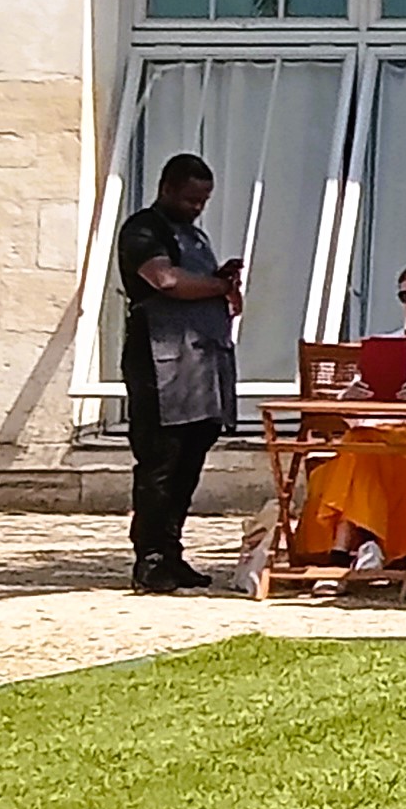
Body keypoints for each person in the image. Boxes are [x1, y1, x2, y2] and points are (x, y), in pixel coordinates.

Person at [286, 261, 406, 583]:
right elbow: (354, 404)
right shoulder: (386, 345)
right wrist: (352, 394)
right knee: (361, 447)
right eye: (405, 296)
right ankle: (363, 545)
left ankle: (341, 554)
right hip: (375, 434)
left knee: (356, 451)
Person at [113, 154, 243, 593]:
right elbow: (165, 279)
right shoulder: (143, 230)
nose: (197, 208)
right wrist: (219, 286)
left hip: (202, 365)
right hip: (160, 363)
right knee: (159, 464)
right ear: (167, 188)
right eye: (190, 199)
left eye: (204, 200)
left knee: (189, 464)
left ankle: (172, 552)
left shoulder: (195, 235)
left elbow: (194, 280)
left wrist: (218, 278)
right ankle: (148, 557)